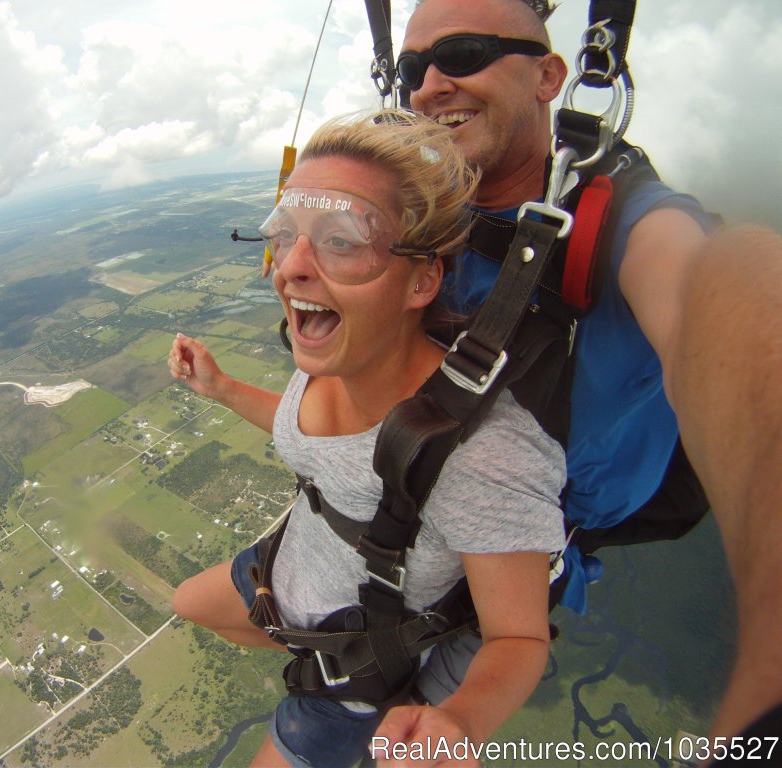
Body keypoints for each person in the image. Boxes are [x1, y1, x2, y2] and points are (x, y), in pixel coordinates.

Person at [372, 0, 782, 763]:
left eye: (461, 53)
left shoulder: (628, 221)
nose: (429, 85)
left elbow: (717, 297)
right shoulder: (425, 215)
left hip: (509, 563)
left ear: (549, 75)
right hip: (413, 512)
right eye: (411, 68)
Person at [168, 110, 569, 767]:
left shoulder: (481, 455)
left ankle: (370, 667)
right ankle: (307, 639)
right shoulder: (340, 359)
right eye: (286, 235)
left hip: (361, 666)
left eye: (341, 241)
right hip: (294, 572)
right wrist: (222, 388)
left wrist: (457, 722)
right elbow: (321, 445)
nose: (289, 268)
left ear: (422, 279)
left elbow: (519, 637)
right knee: (190, 603)